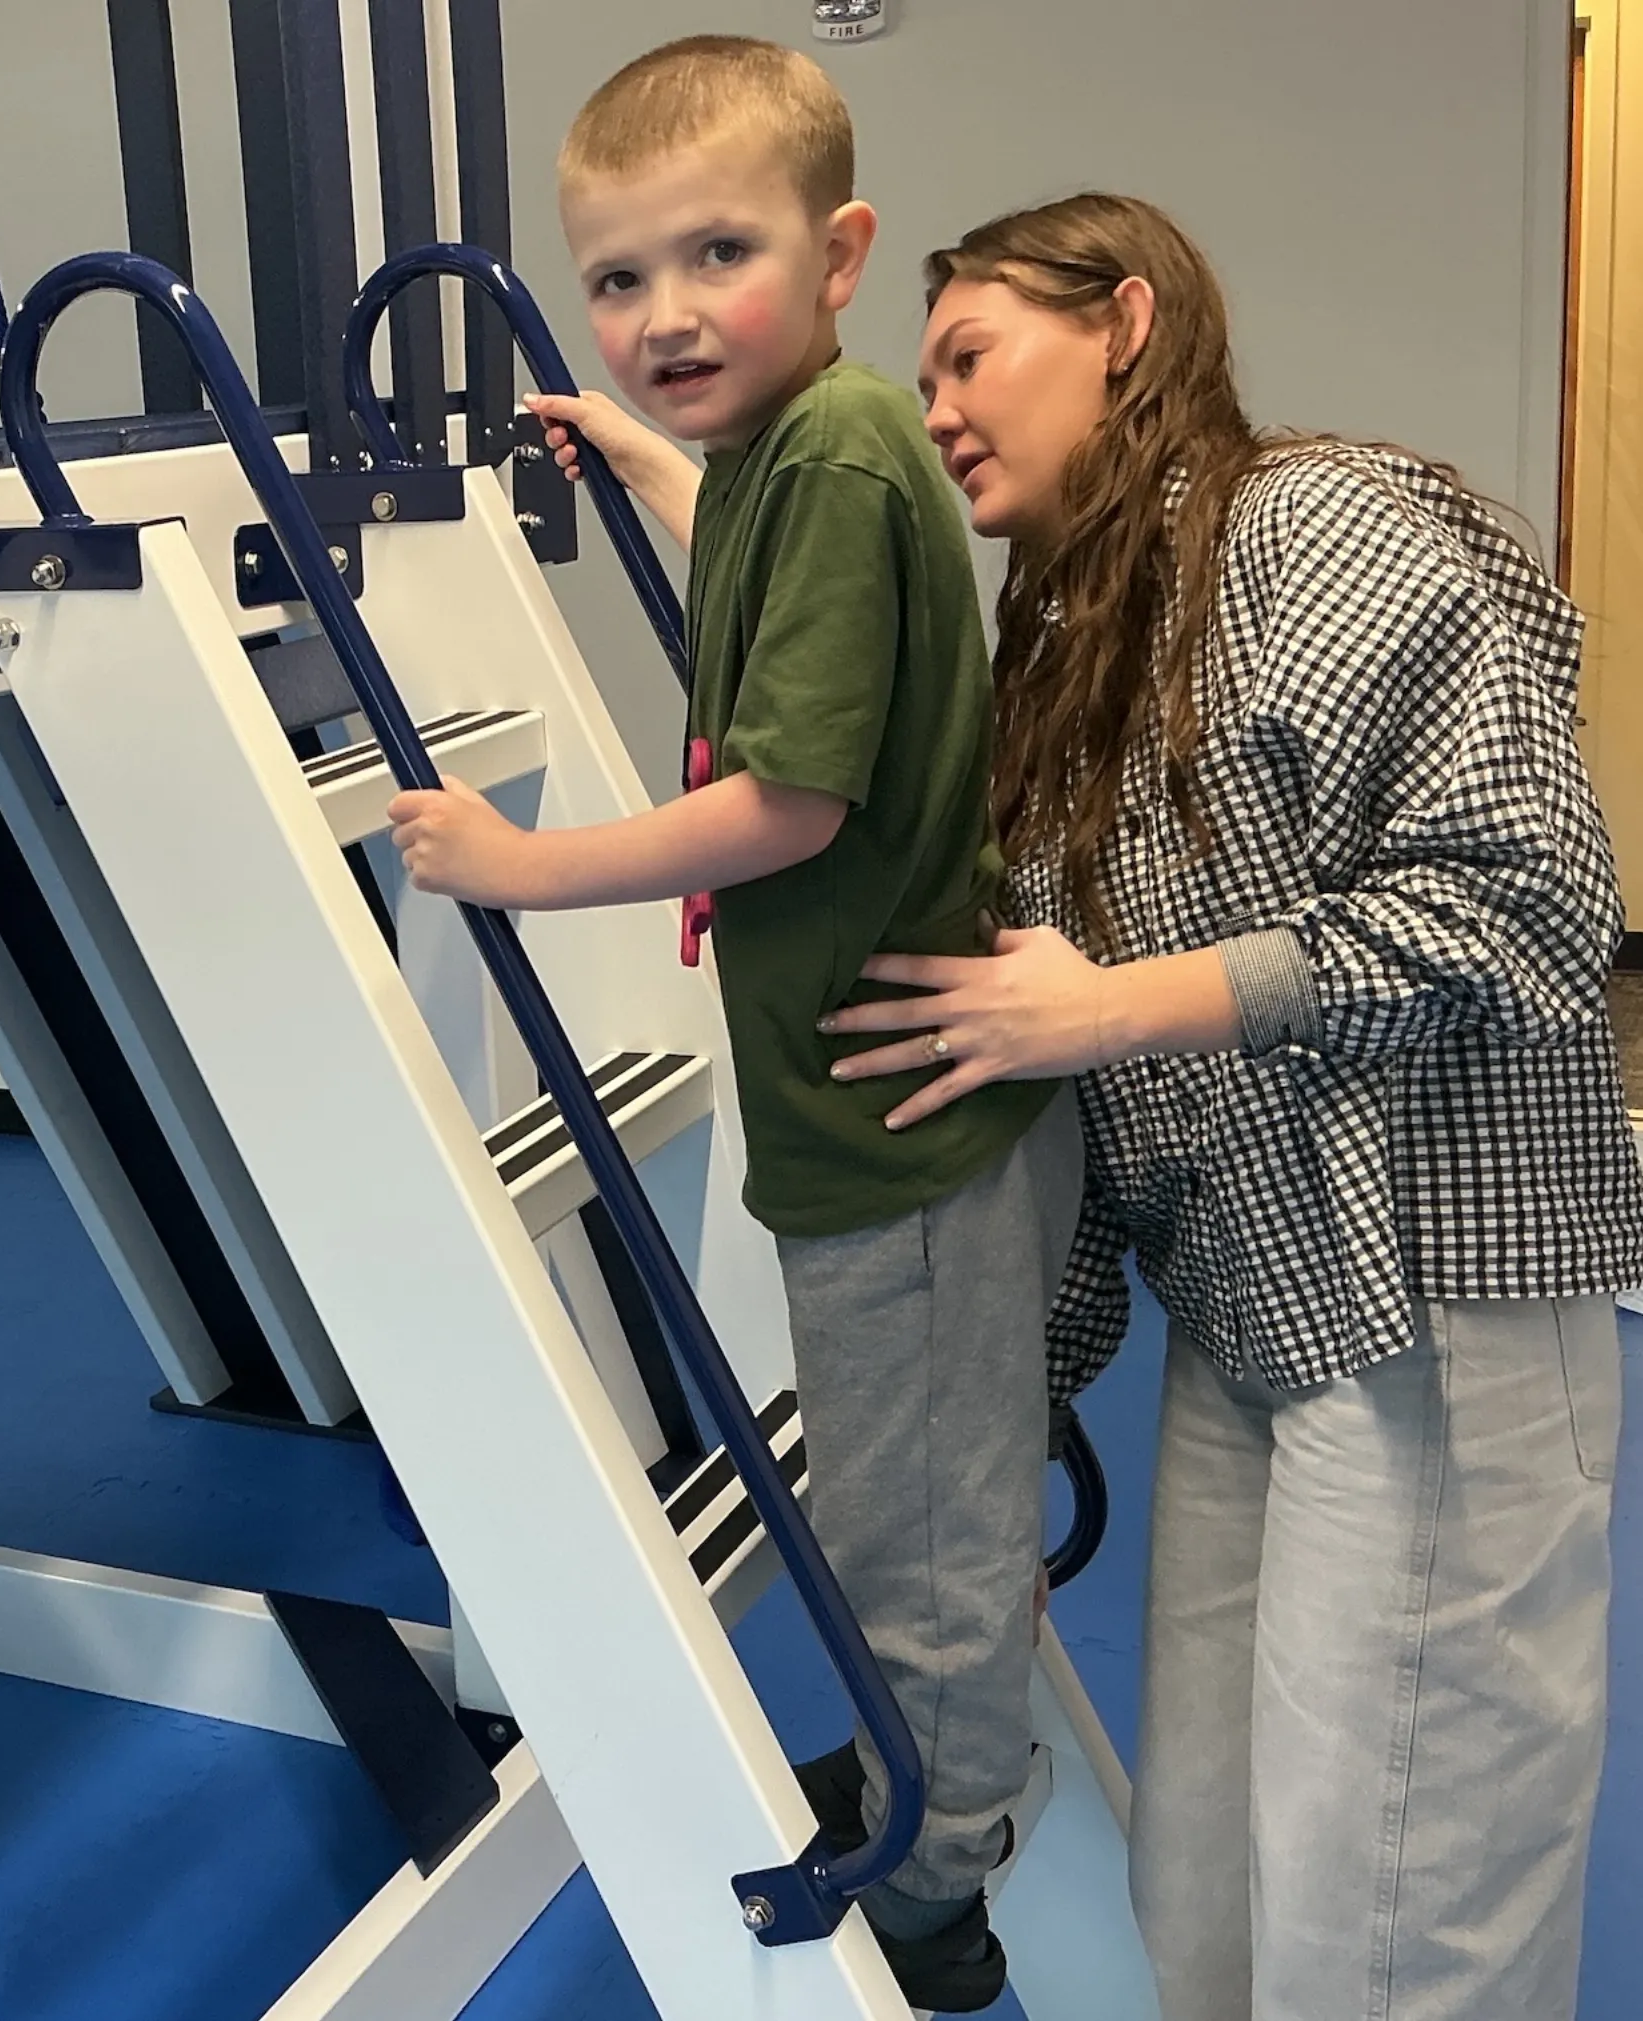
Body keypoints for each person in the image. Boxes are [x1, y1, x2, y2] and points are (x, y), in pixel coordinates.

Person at [816, 191, 1643, 2019]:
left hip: (1434, 1294)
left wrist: (1107, 1002)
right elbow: (1087, 1112)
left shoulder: (1308, 520)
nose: (937, 409)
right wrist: (1006, 1444)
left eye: (968, 356)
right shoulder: (1066, 653)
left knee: (1390, 1919)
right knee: (1200, 1894)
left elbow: (1523, 897)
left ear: (1122, 325)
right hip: (1250, 1315)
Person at [387, 37, 1070, 2010]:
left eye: (718, 255)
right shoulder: (798, 446)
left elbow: (789, 802)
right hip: (863, 1109)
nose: (664, 314)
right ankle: (919, 1776)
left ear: (838, 253)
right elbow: (775, 595)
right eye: (617, 277)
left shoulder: (840, 455)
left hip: (896, 1130)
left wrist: (526, 866)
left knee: (916, 1530)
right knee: (889, 1500)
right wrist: (649, 464)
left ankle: (939, 1878)